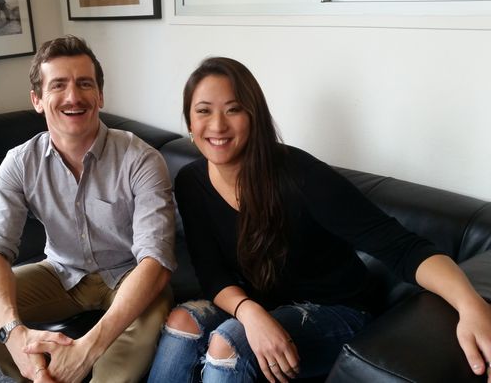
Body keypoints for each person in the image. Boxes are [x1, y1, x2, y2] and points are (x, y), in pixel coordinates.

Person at [148, 57, 491, 383]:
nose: (218, 125)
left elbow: (402, 247)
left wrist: (470, 303)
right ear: (190, 123)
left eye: (234, 109)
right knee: (182, 322)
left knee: (229, 343)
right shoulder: (191, 182)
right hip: (261, 303)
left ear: (254, 117)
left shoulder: (300, 176)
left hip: (338, 311)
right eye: (204, 111)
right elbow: (211, 272)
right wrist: (250, 312)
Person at [0, 35, 176, 383]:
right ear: (37, 99)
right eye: (58, 85)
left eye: (84, 84)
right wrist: (15, 335)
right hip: (60, 273)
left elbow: (156, 261)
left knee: (139, 336)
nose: (73, 97)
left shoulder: (141, 159)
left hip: (128, 274)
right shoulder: (20, 163)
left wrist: (87, 349)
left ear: (100, 95)